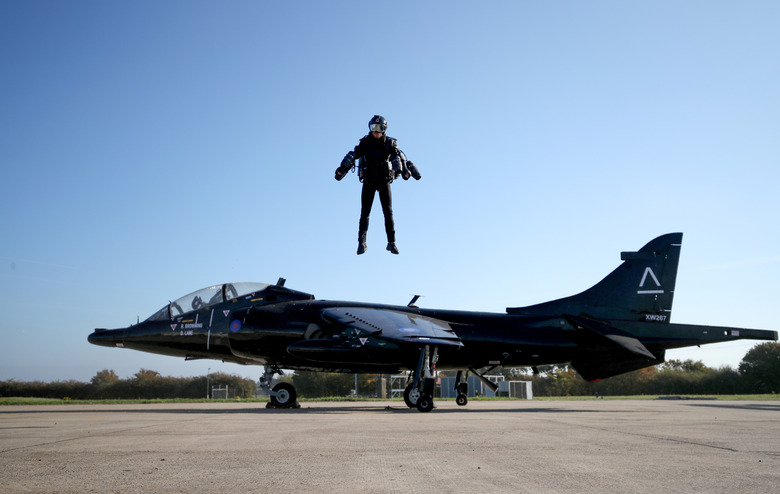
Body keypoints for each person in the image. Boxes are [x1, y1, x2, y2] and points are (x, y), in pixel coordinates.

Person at [335, 115, 421, 255]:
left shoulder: (390, 143)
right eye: (373, 128)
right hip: (369, 180)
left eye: (379, 128)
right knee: (365, 213)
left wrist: (405, 171)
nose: (376, 131)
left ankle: (391, 243)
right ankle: (361, 243)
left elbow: (398, 156)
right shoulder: (365, 143)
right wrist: (341, 169)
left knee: (388, 212)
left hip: (383, 180)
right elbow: (354, 155)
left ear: (384, 129)